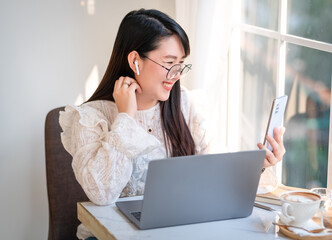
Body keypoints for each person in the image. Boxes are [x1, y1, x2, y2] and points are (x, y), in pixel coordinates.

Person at [59, 8, 286, 240]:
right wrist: (126, 117)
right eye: (169, 63)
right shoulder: (89, 117)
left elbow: (212, 172)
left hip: (175, 231)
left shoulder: (183, 103)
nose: (176, 74)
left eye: (181, 64)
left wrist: (259, 165)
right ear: (135, 60)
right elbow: (101, 194)